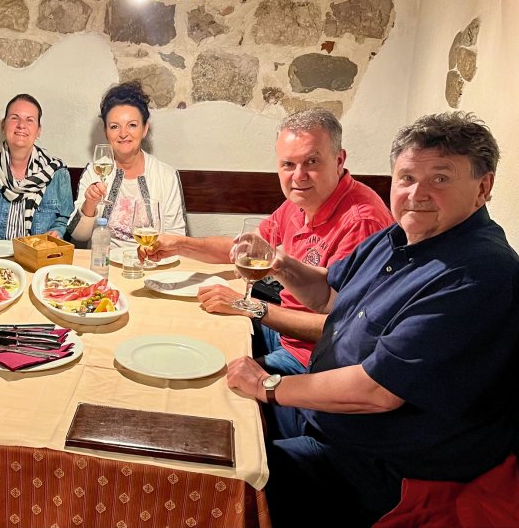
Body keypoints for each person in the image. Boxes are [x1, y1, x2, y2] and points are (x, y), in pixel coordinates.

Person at [226, 112, 519, 525]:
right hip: (331, 421)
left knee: (230, 478)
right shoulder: (400, 235)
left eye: (440, 178)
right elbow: (329, 295)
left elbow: (377, 391)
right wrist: (279, 263)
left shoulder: (478, 273)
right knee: (221, 414)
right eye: (406, 178)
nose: (417, 193)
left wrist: (268, 385)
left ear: (483, 188)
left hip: (386, 468)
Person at [145, 109, 393, 375]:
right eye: (288, 164)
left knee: (215, 376)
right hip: (282, 331)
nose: (299, 176)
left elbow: (345, 327)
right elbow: (243, 250)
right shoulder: (300, 200)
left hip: (316, 359)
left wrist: (248, 306)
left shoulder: (361, 222)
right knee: (191, 330)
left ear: (339, 160)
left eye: (311, 162)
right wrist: (178, 244)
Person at [67, 81, 186, 248]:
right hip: (103, 260)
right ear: (106, 132)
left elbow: (176, 236)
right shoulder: (94, 171)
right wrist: (90, 204)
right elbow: (79, 236)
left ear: (145, 129)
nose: (123, 134)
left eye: (132, 125)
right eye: (115, 126)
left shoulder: (166, 175)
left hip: (151, 260)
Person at [0, 94, 74, 240]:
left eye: (30, 120)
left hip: (36, 254)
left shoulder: (57, 173)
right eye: (15, 118)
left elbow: (66, 220)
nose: (21, 125)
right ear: (3, 125)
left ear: (38, 130)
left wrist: (57, 232)